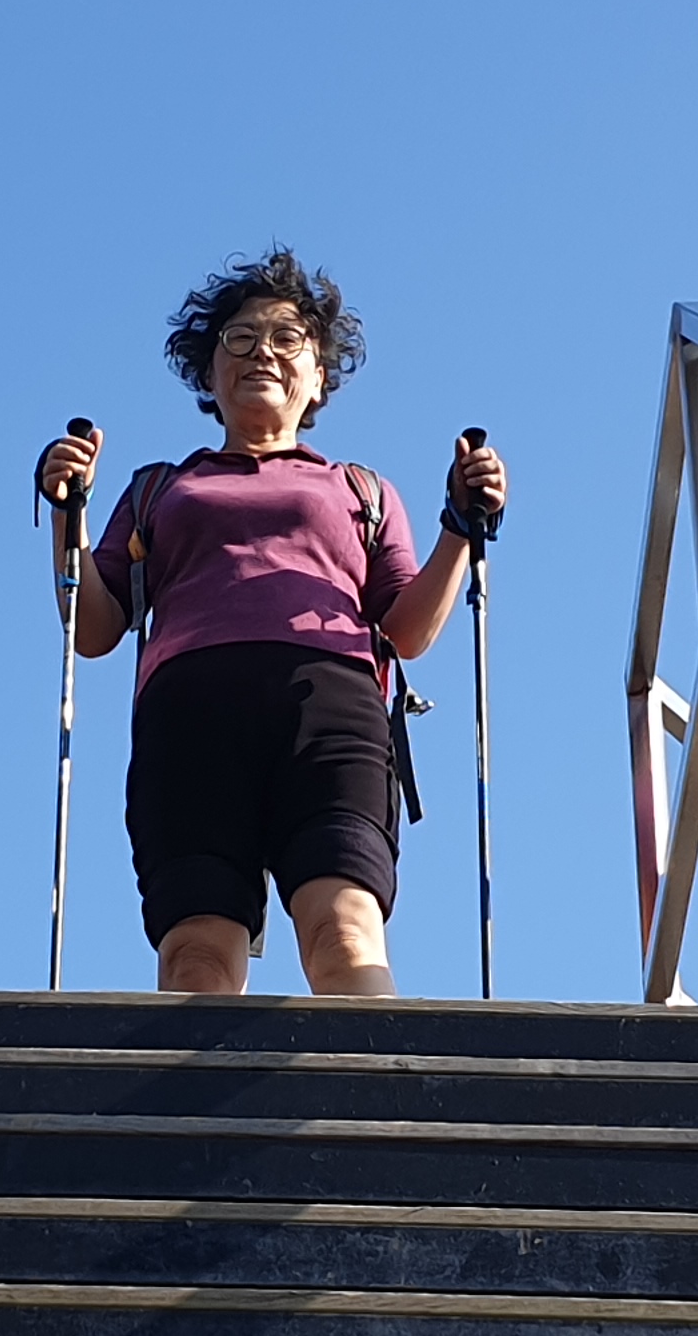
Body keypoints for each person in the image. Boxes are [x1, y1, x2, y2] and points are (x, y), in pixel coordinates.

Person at [35, 250, 506, 997]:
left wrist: (459, 523)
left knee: (343, 931)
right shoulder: (159, 487)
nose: (263, 352)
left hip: (330, 708)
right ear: (209, 373)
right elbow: (93, 629)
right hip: (189, 715)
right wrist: (70, 513)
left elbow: (409, 628)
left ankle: (375, 1076)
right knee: (194, 956)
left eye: (288, 339)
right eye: (241, 338)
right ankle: (200, 1083)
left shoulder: (361, 490)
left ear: (318, 377)